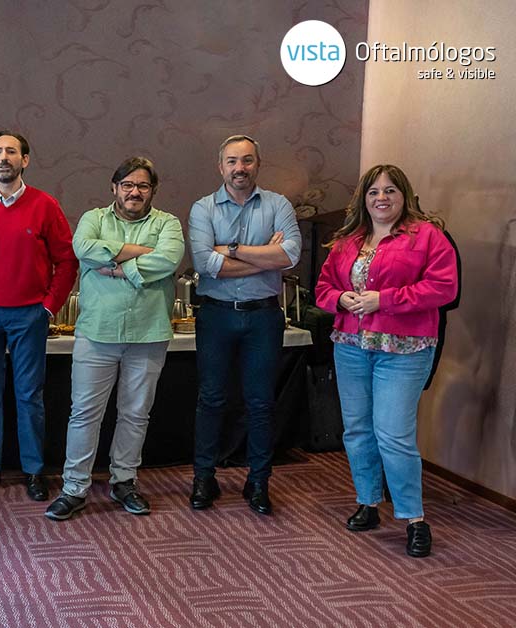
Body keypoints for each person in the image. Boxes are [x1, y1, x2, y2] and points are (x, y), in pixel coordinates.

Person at [315, 164, 457, 558]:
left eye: (390, 190)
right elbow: (323, 287)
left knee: (393, 433)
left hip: (405, 349)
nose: (382, 198)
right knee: (358, 429)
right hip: (351, 345)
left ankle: (414, 518)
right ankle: (368, 502)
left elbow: (444, 288)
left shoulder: (427, 235)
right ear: (364, 199)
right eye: (374, 191)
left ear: (403, 195)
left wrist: (385, 300)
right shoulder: (347, 241)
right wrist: (340, 298)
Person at [45, 157, 184, 521]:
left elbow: (169, 260)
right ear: (114, 188)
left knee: (135, 414)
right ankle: (74, 488)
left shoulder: (167, 223)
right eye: (127, 185)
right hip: (97, 332)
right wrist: (142, 256)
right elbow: (83, 248)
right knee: (84, 414)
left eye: (142, 186)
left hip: (148, 332)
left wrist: (119, 267)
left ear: (153, 190)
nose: (134, 192)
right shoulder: (93, 219)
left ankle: (124, 482)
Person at [0, 131, 78, 501]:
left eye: (11, 151)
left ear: (25, 160)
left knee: (29, 395)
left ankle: (34, 470)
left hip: (29, 315)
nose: (4, 157)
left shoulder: (45, 206)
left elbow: (66, 260)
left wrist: (50, 306)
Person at [187, 134, 301, 515]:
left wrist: (232, 250)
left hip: (263, 316)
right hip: (216, 315)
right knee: (211, 399)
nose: (240, 168)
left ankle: (259, 481)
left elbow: (290, 255)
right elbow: (205, 264)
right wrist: (265, 256)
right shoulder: (203, 208)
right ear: (220, 167)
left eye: (247, 160)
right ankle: (204, 478)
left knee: (261, 403)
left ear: (258, 164)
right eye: (233, 161)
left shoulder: (278, 204)